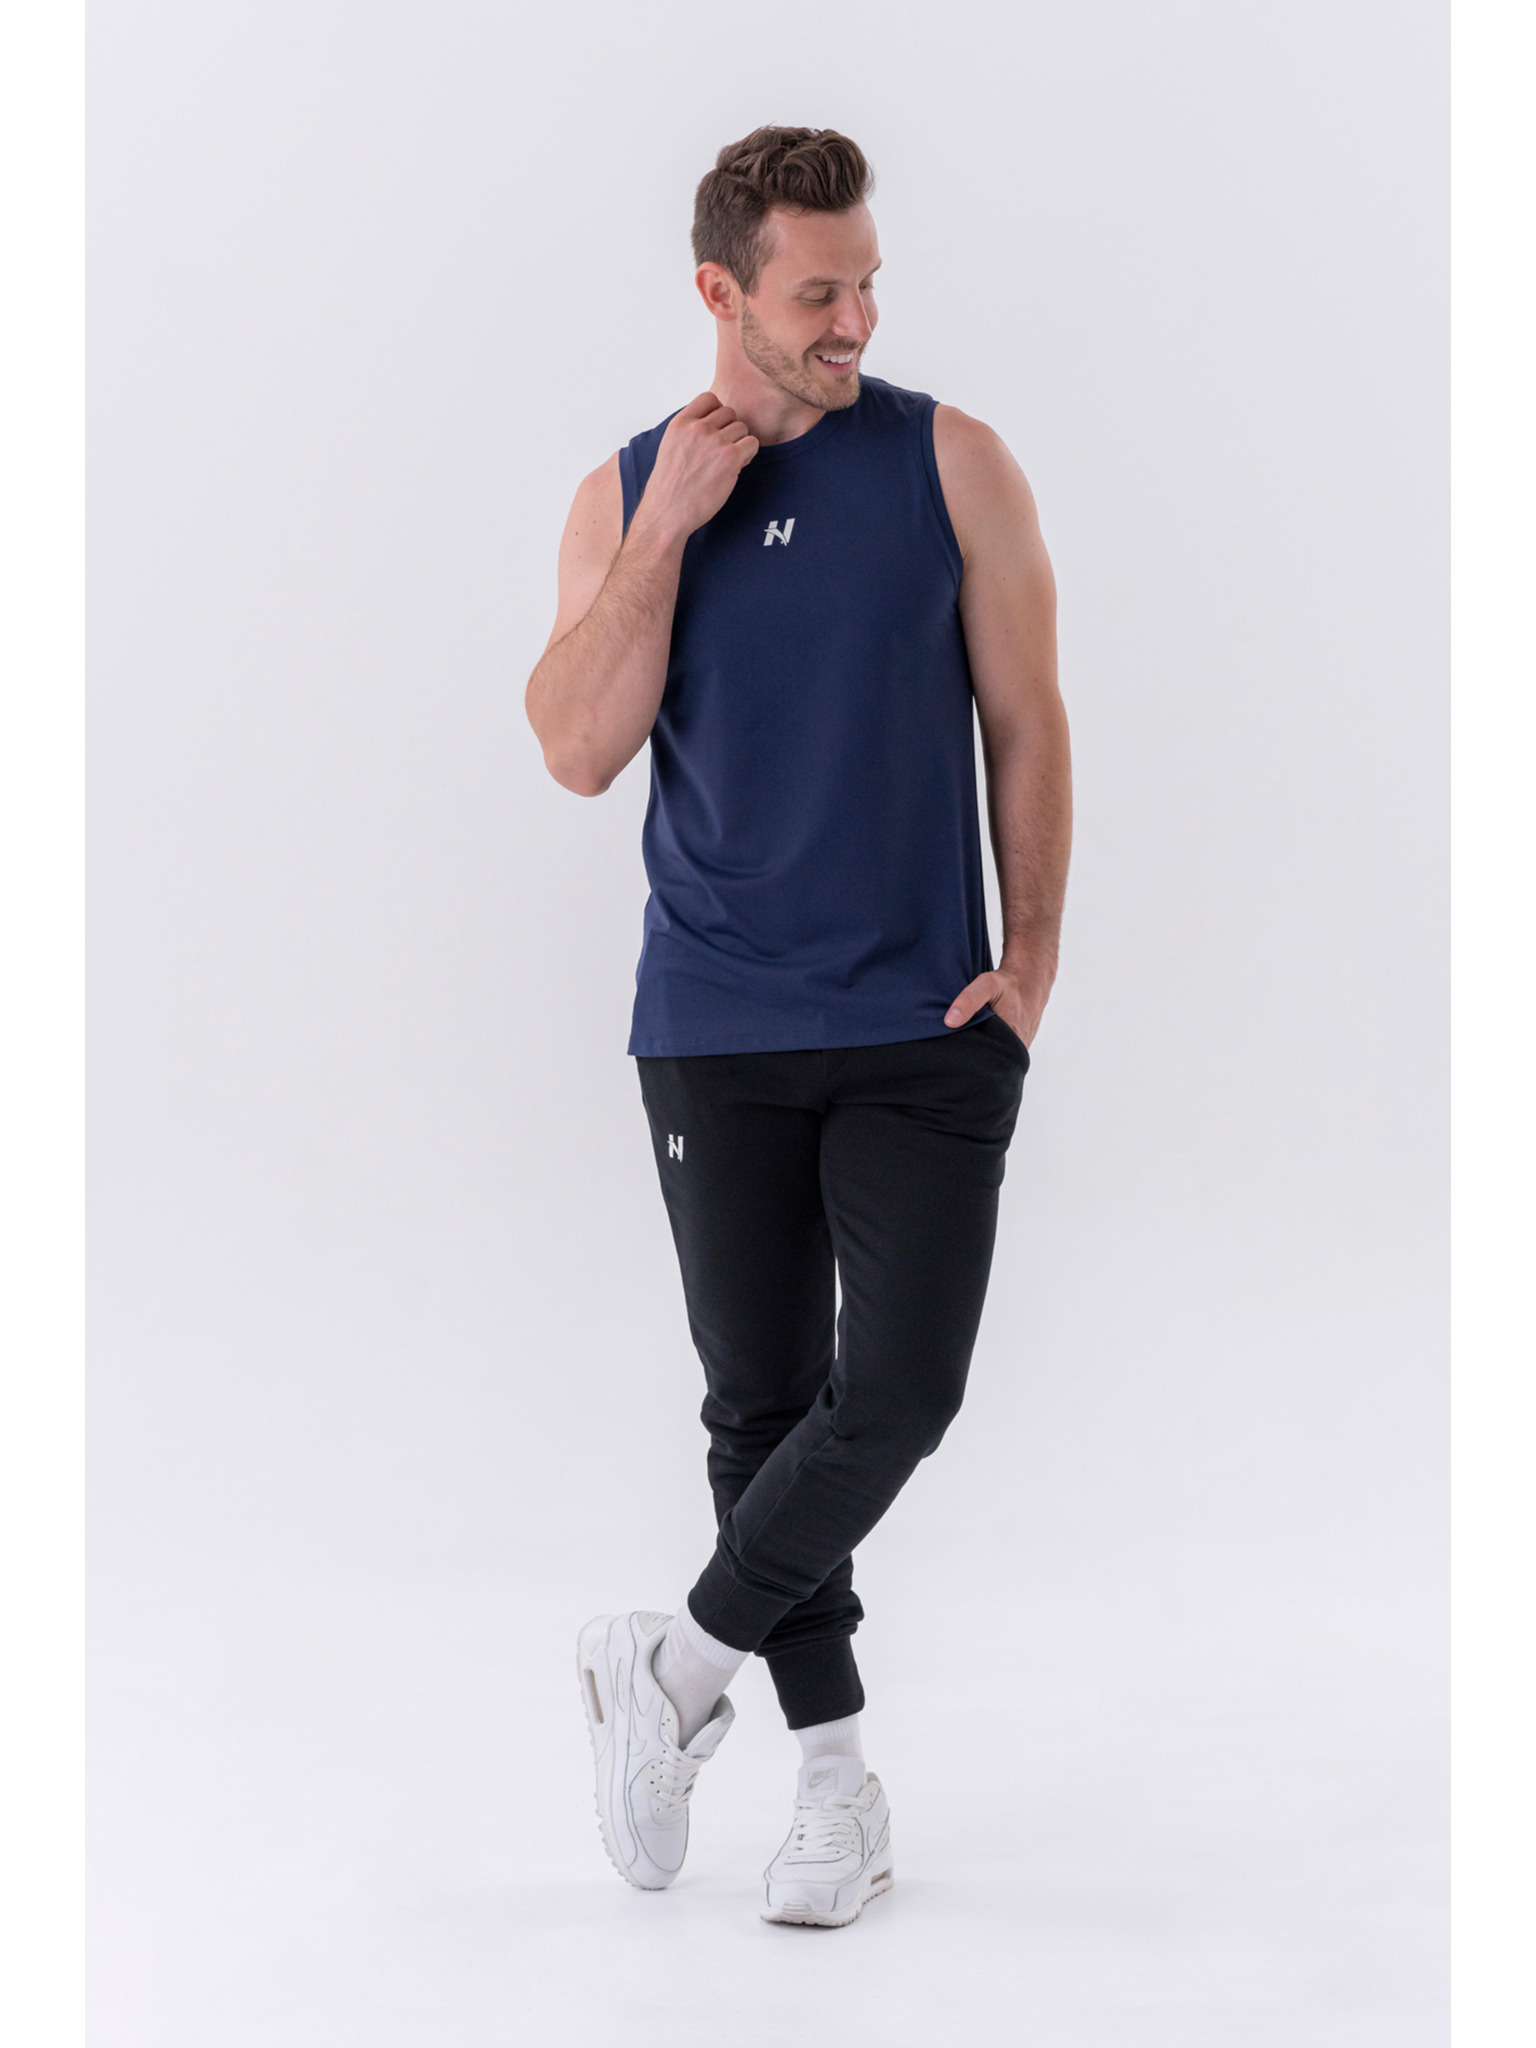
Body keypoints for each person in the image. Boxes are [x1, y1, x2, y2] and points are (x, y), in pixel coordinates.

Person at [526, 125, 1069, 1928]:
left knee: (899, 1392)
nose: (855, 320)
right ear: (721, 292)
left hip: (925, 1018)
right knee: (761, 1413)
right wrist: (668, 529)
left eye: (867, 285)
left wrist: (1032, 963)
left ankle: (670, 1671)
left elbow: (1029, 717)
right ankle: (836, 1789)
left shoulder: (950, 461)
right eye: (818, 292)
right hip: (716, 1023)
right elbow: (577, 745)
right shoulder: (624, 492)